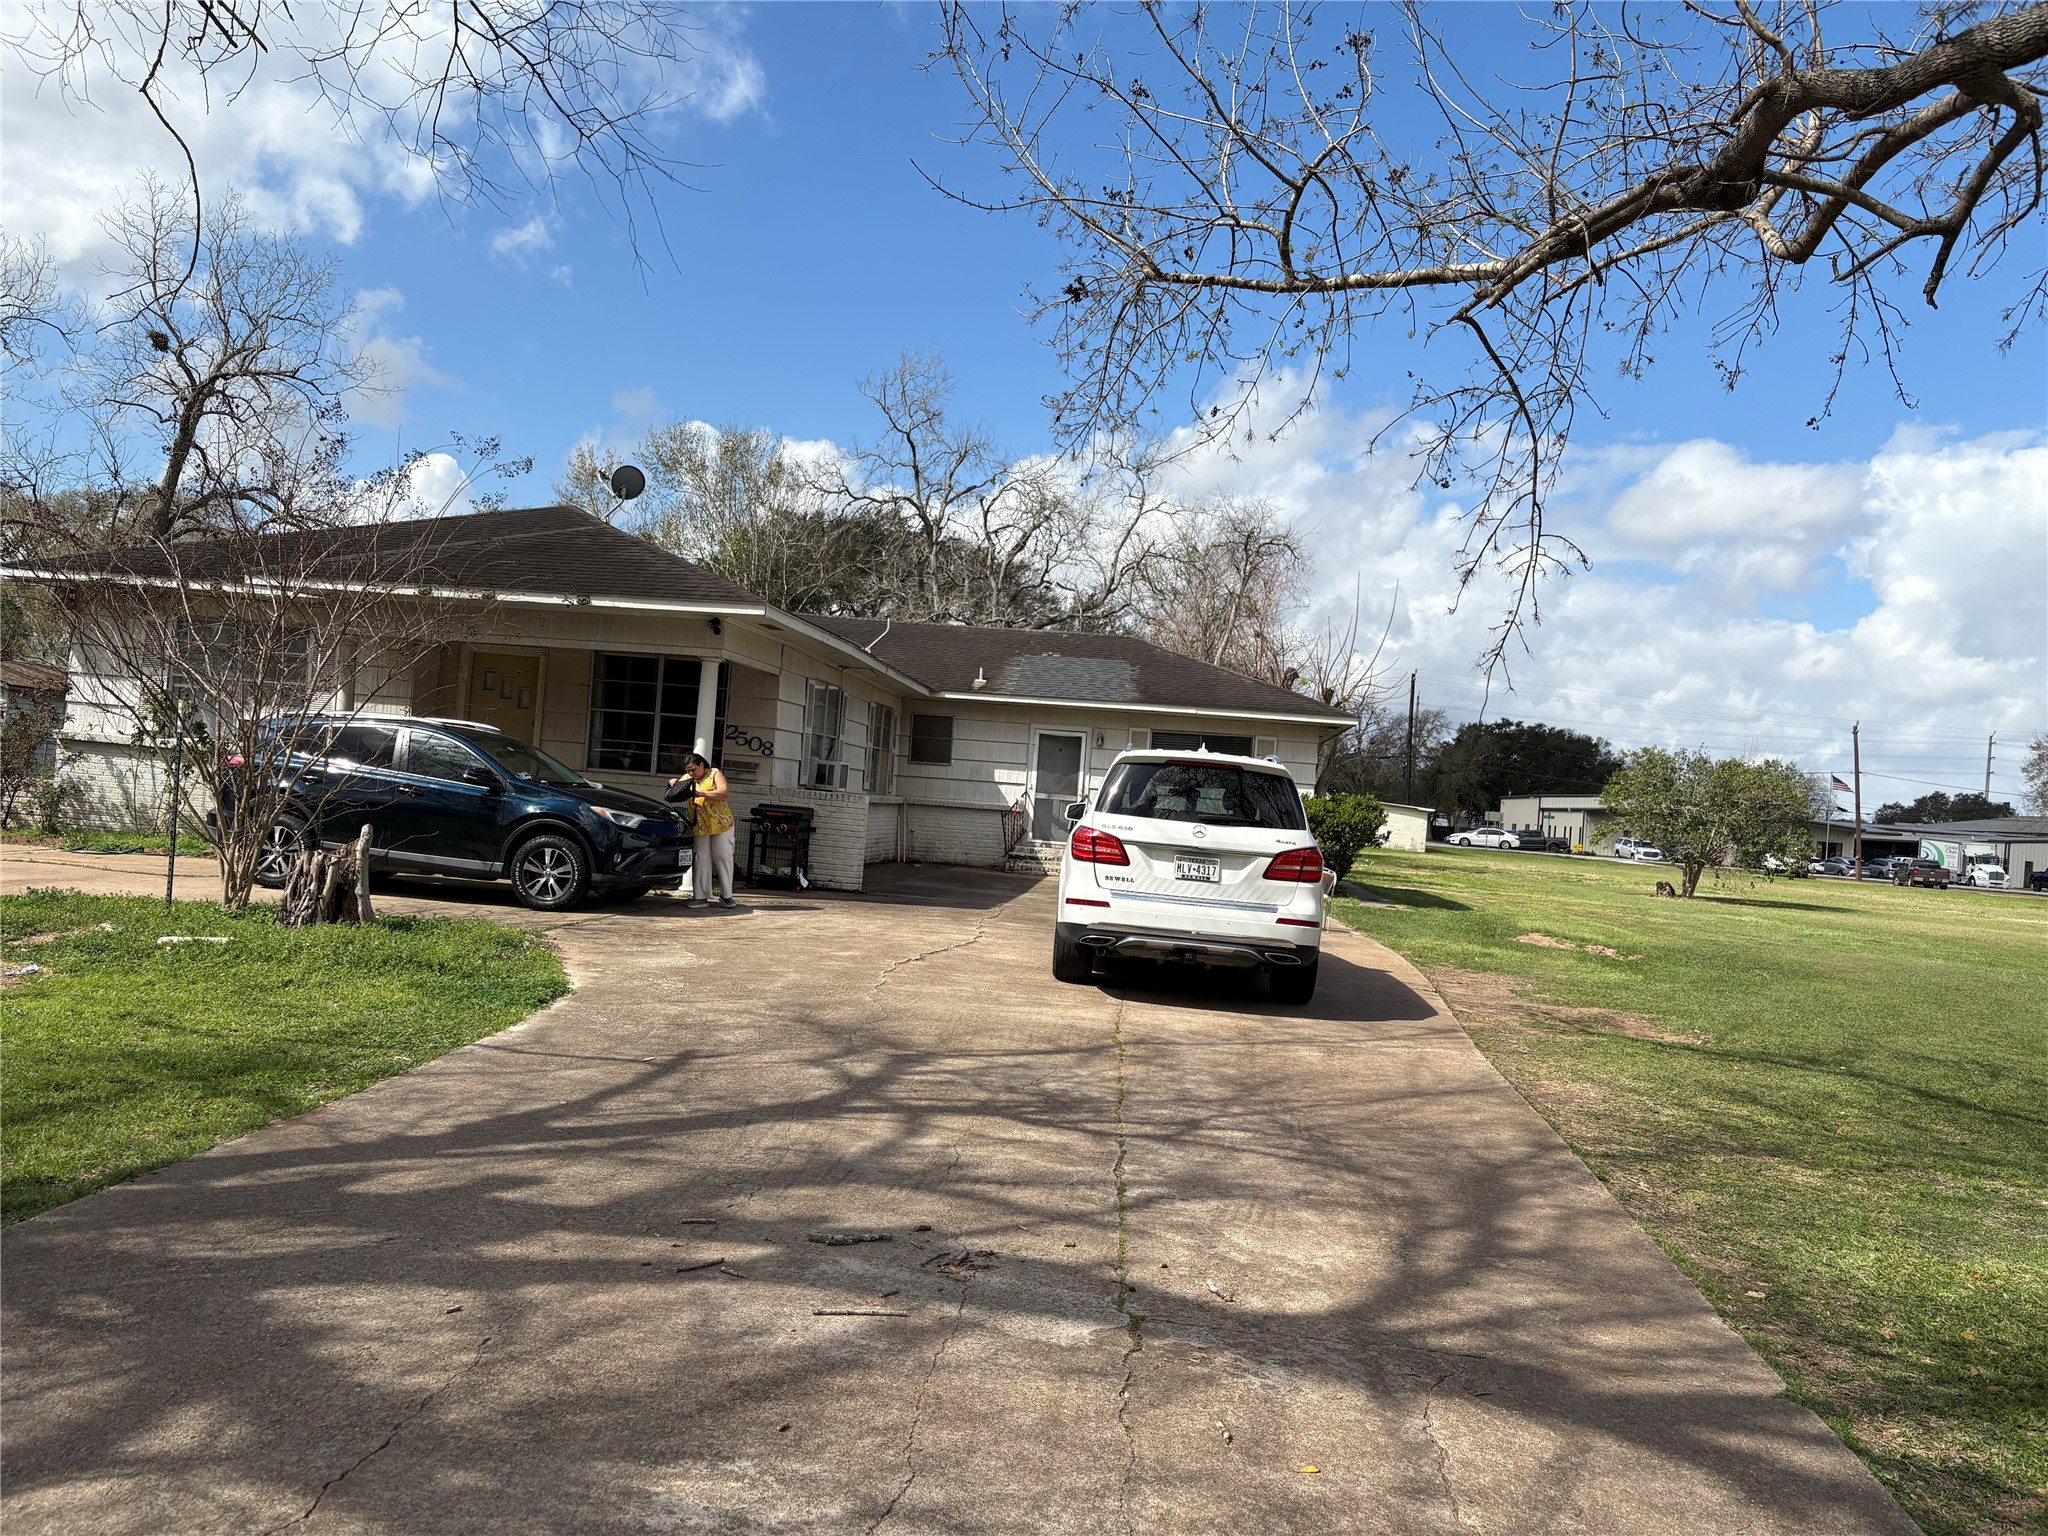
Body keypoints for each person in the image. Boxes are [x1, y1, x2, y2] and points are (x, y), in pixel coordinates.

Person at [671, 753, 736, 908]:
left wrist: (703, 794)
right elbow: (675, 791)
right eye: (688, 770)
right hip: (699, 823)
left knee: (723, 856)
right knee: (701, 858)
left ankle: (727, 894)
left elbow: (723, 792)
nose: (691, 773)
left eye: (693, 769)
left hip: (720, 823)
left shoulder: (714, 773)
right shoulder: (687, 778)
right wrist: (673, 783)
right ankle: (700, 896)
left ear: (702, 765)